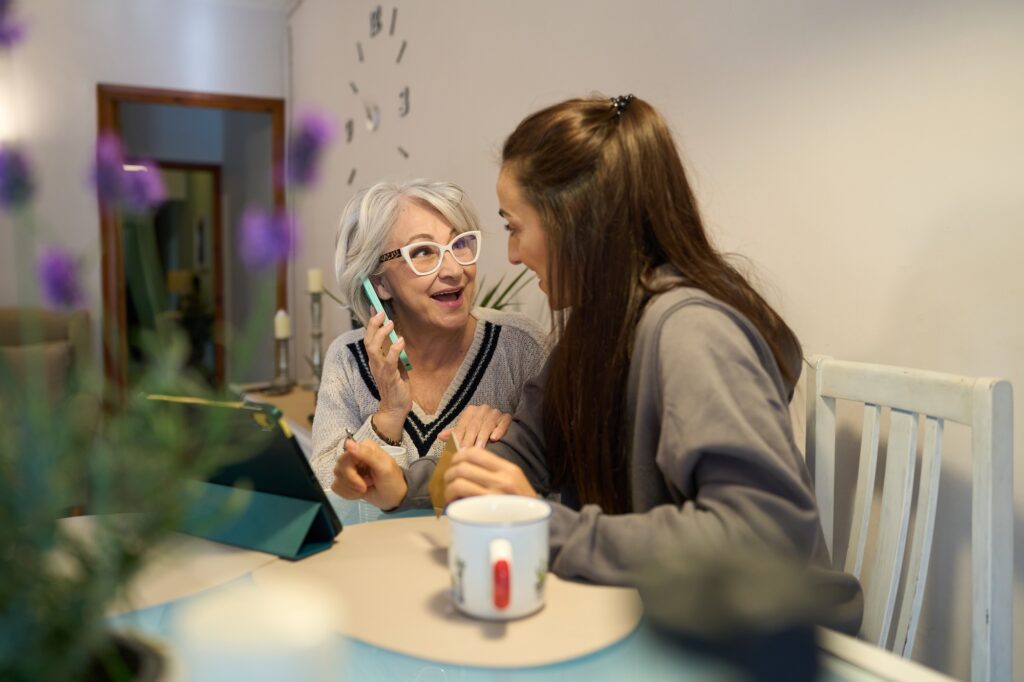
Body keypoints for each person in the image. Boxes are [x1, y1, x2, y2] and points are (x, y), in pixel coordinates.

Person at [330, 97, 861, 629]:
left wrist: (546, 526)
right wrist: (406, 486)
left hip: (772, 642)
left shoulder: (690, 333)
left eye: (514, 227)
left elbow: (765, 534)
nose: (510, 255)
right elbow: (523, 455)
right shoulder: (590, 333)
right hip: (666, 616)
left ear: (576, 224)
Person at [310, 179, 548, 490]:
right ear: (379, 283)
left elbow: (553, 480)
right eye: (423, 251)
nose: (453, 270)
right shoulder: (348, 360)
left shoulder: (521, 347)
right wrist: (388, 417)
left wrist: (511, 439)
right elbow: (330, 495)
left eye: (459, 244)